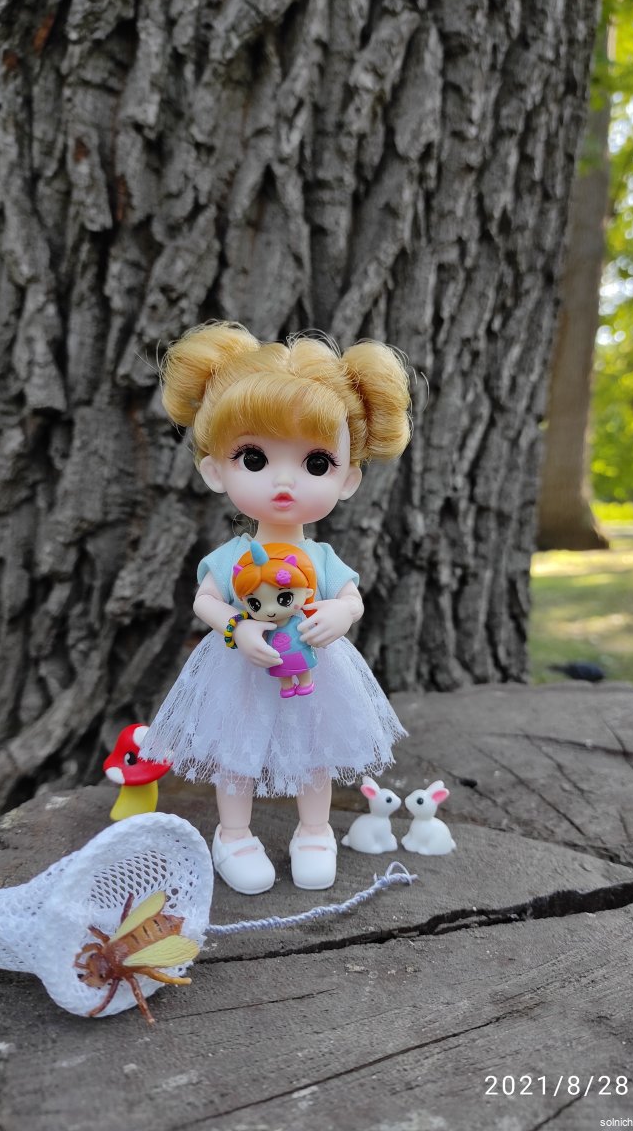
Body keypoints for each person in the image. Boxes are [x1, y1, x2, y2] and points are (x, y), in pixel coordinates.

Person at [141, 321, 411, 894]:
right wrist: (237, 628)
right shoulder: (233, 556)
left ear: (348, 479)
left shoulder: (323, 556)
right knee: (236, 750)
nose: (284, 482)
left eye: (316, 463)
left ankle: (314, 830)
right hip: (241, 666)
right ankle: (233, 834)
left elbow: (350, 597)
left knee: (315, 748)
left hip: (315, 666)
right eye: (254, 458)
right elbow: (206, 600)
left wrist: (340, 614)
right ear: (215, 470)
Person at [231, 541, 319, 699]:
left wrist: (314, 635)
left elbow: (306, 631)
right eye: (255, 604)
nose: (270, 610)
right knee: (282, 671)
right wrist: (242, 631)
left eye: (285, 598)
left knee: (303, 668)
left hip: (298, 651)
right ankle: (287, 686)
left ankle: (306, 683)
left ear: (307, 593)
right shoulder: (266, 627)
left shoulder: (296, 622)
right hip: (275, 656)